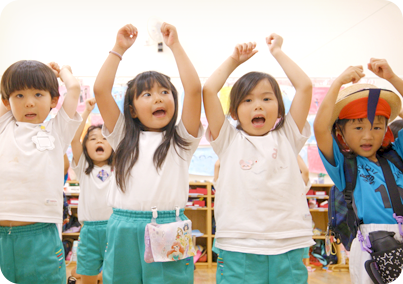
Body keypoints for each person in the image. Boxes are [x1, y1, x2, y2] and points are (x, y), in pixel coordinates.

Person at [93, 23, 203, 283]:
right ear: (132, 110)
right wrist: (119, 48)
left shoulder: (181, 140)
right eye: (147, 94)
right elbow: (100, 90)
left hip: (171, 224)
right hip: (124, 225)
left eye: (165, 92)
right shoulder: (122, 137)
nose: (158, 98)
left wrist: (175, 46)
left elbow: (195, 90)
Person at [203, 35, 313, 283]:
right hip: (238, 245)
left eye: (266, 98)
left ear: (279, 109)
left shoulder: (287, 136)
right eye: (248, 100)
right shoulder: (228, 141)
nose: (258, 106)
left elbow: (305, 87)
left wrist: (278, 52)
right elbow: (209, 90)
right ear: (233, 112)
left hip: (288, 242)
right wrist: (234, 61)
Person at [313, 58, 403, 283]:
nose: (368, 135)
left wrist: (391, 78)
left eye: (376, 127)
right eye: (358, 126)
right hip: (370, 245)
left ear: (385, 130)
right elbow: (320, 127)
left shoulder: (396, 156)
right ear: (341, 133)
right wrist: (338, 83)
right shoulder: (345, 166)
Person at [0, 60, 81, 283]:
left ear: (54, 100)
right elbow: (4, 95)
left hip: (40, 232)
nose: (29, 103)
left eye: (38, 94)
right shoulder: (4, 125)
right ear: (7, 101)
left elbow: (73, 88)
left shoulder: (57, 130)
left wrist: (61, 72)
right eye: (20, 96)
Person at [70, 98, 114, 284]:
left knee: (114, 275)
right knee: (87, 274)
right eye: (93, 139)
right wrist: (87, 111)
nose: (99, 141)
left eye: (105, 138)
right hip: (89, 231)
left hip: (114, 229)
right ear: (86, 147)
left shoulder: (119, 167)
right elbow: (74, 139)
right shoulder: (83, 168)